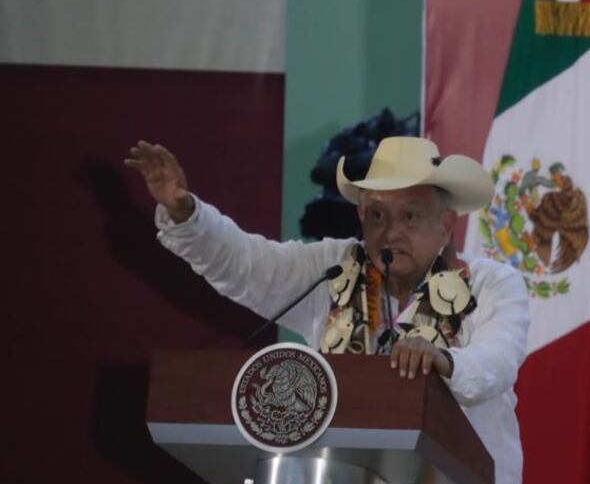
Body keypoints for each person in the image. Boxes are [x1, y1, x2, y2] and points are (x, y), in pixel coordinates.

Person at [125, 137, 529, 484]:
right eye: (377, 216)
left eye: (409, 215)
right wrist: (185, 212)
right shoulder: (332, 269)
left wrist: (443, 360)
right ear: (361, 219)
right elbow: (245, 264)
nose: (391, 231)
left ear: (446, 225)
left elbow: (497, 359)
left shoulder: (492, 283)